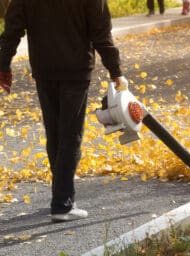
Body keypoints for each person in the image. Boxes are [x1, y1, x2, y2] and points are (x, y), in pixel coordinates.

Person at [0, 0, 128, 222]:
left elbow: (12, 29)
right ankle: (62, 204)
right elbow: (101, 33)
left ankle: (61, 195)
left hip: (44, 69)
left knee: (56, 134)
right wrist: (116, 71)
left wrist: (3, 65)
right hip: (76, 70)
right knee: (70, 136)